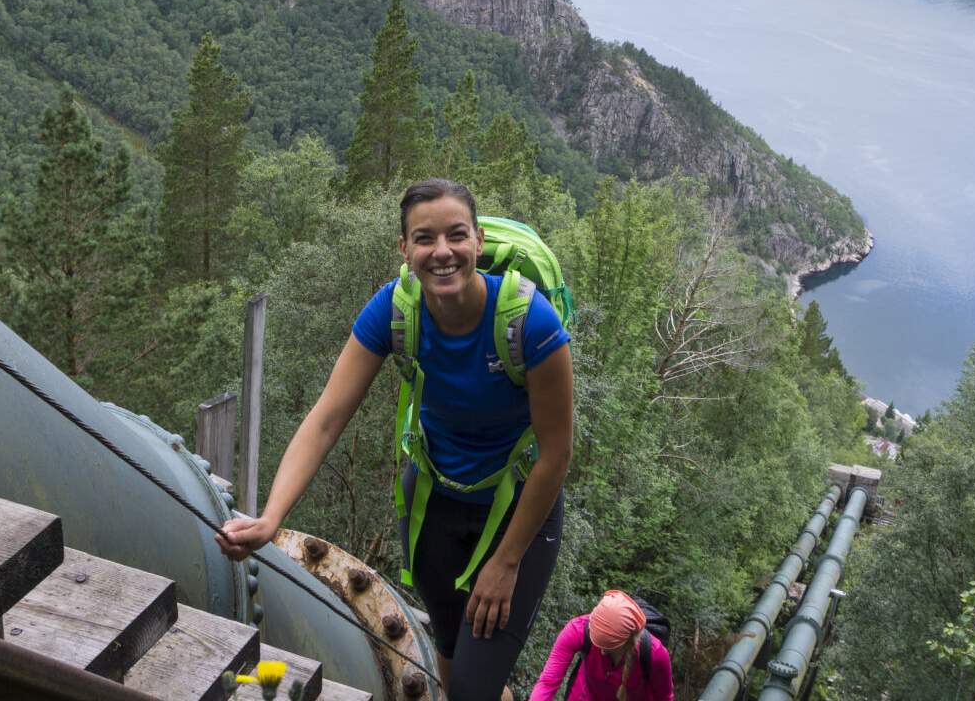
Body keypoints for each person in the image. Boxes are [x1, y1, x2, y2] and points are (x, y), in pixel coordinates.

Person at [217, 178, 575, 701]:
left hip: (520, 513)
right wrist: (270, 519)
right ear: (404, 250)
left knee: (476, 689)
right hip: (434, 507)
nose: (442, 252)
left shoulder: (529, 323)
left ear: (477, 240)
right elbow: (326, 418)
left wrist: (506, 561)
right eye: (424, 239)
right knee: (449, 652)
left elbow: (556, 453)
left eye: (456, 235)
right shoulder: (394, 310)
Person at [529, 591, 674, 701]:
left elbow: (665, 698)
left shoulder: (655, 654)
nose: (602, 653)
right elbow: (547, 683)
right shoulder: (577, 630)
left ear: (626, 641)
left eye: (608, 647)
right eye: (597, 644)